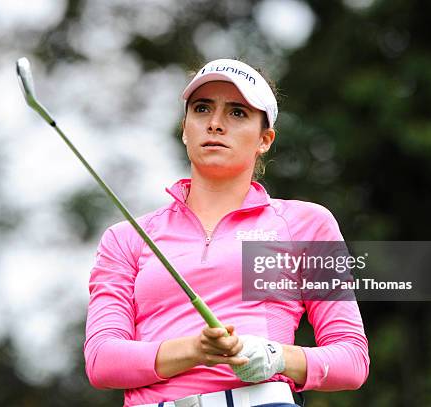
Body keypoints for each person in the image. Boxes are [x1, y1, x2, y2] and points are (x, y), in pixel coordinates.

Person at [84, 59, 370, 407]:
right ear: (186, 129)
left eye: (237, 113)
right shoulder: (126, 238)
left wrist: (278, 357)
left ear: (265, 139)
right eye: (202, 109)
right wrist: (195, 349)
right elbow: (102, 361)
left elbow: (352, 359)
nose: (216, 124)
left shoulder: (303, 223)